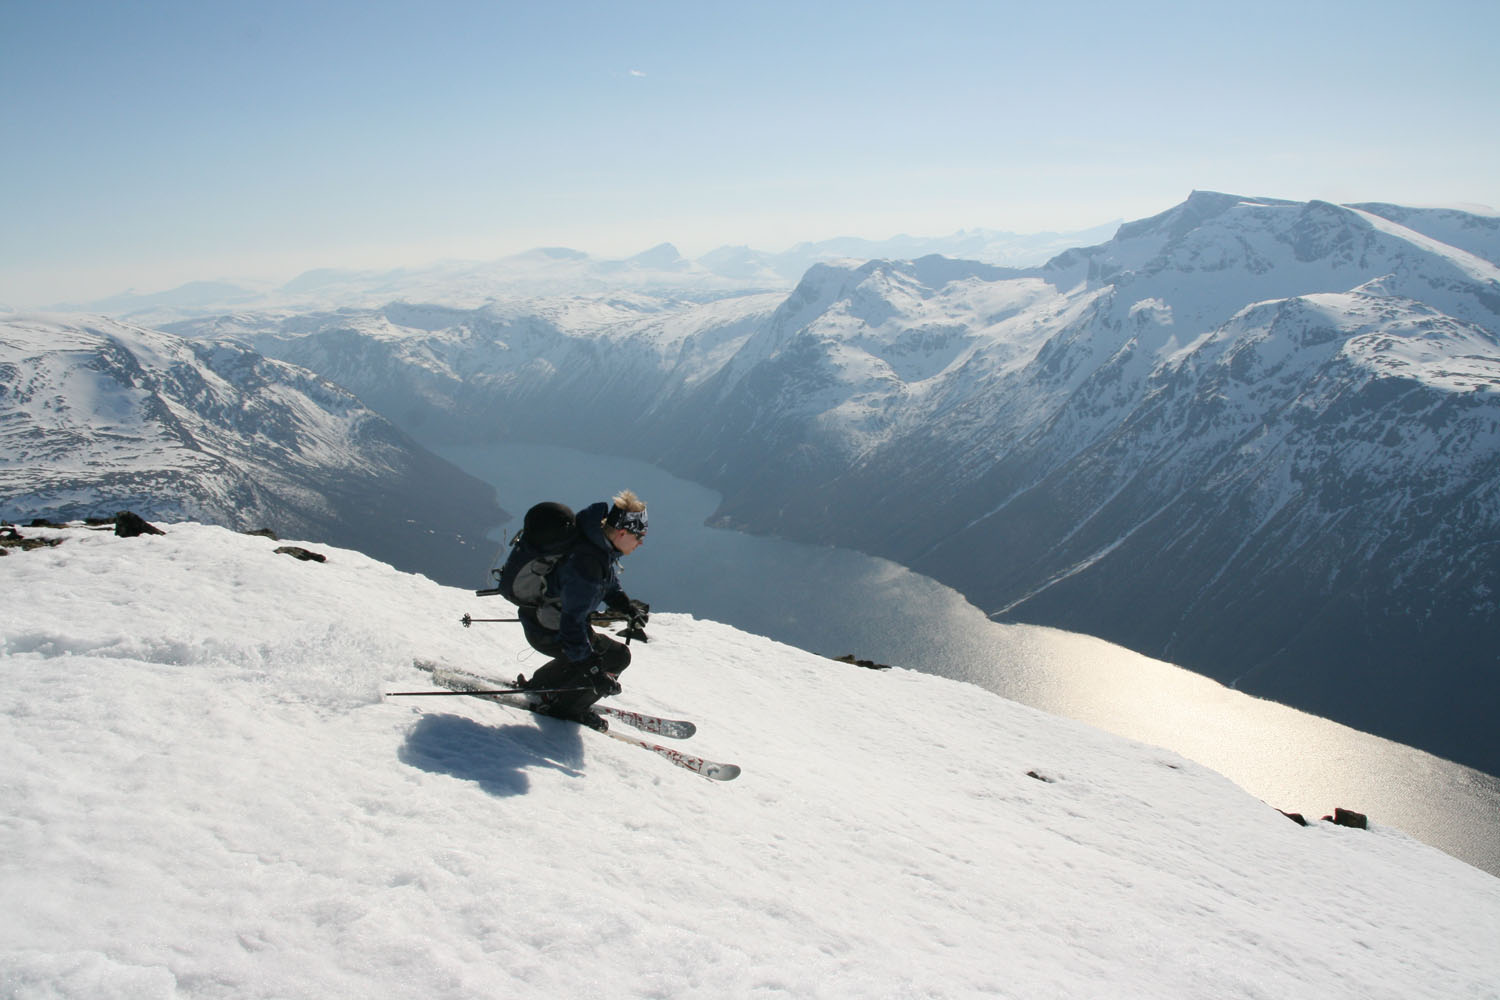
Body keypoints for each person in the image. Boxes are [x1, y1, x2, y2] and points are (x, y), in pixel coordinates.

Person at [516, 489, 650, 731]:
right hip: (549, 630)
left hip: (540, 618)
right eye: (639, 535)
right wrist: (595, 672)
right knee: (616, 657)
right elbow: (572, 627)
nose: (641, 542)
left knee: (596, 650)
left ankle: (543, 685)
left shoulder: (595, 542)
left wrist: (624, 605)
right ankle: (566, 709)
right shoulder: (588, 564)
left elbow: (606, 581)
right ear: (622, 532)